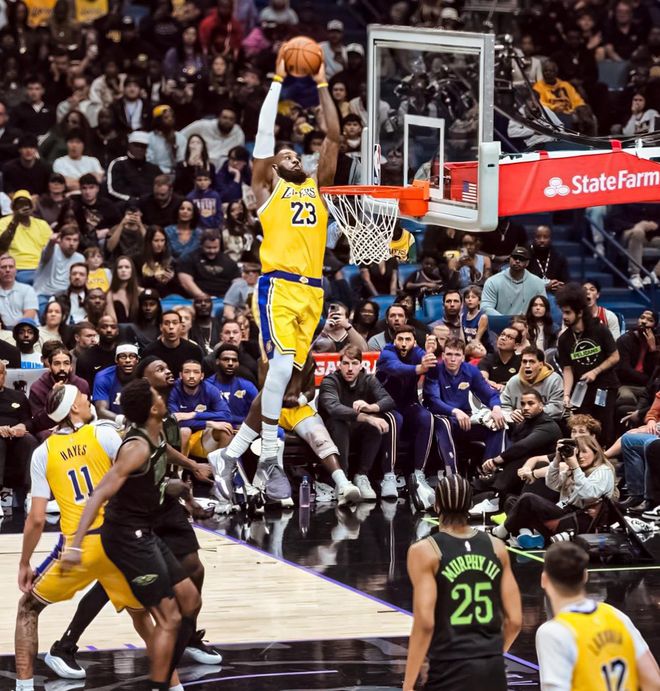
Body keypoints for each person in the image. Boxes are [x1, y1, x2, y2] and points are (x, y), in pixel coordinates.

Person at [62, 378, 203, 690]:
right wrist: (74, 545)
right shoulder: (135, 448)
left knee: (190, 600)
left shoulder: (156, 435)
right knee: (169, 617)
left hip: (144, 530)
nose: (161, 395)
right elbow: (99, 494)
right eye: (156, 395)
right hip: (125, 536)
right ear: (152, 409)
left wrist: (190, 480)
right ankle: (162, 685)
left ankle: (166, 675)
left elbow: (162, 462)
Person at [242, 54, 339, 506]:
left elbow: (333, 136)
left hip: (313, 290)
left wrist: (321, 83)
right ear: (274, 169)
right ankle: (269, 453)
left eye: (296, 153)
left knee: (290, 377)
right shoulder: (268, 190)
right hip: (278, 284)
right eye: (285, 156)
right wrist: (278, 80)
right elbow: (264, 138)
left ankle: (235, 453)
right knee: (279, 368)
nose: (293, 156)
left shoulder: (316, 187)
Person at [13, 385, 150, 691]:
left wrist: (24, 562)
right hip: (118, 543)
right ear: (74, 408)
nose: (88, 399)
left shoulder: (43, 452)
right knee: (144, 618)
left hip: (78, 547)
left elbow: (36, 519)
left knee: (28, 608)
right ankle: (173, 683)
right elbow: (136, 476)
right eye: (82, 397)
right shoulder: (105, 434)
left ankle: (24, 687)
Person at [403, 475, 522, 691]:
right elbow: (514, 620)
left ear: (436, 505)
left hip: (449, 668)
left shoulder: (424, 551)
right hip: (492, 669)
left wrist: (408, 684)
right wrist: (494, 654)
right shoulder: (497, 547)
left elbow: (425, 623)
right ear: (470, 505)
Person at [536, 542, 660, 689]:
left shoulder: (553, 631)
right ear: (585, 576)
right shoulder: (616, 615)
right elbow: (654, 682)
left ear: (544, 579)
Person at [493, 435, 617, 547]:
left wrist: (575, 468)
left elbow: (588, 494)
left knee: (527, 499)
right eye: (578, 453)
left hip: (574, 518)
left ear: (595, 452)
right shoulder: (574, 469)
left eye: (584, 452)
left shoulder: (603, 470)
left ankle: (504, 530)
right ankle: (528, 535)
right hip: (562, 511)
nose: (580, 456)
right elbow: (552, 483)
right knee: (512, 501)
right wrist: (557, 459)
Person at [318, 344, 398, 499]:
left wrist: (370, 407)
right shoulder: (330, 381)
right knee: (339, 423)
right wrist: (366, 417)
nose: (350, 368)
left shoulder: (368, 379)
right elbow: (334, 408)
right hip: (333, 432)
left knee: (377, 423)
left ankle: (362, 476)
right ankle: (342, 480)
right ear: (339, 365)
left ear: (361, 365)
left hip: (357, 431)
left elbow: (388, 400)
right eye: (346, 363)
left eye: (354, 363)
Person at [376, 325, 438, 510]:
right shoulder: (387, 353)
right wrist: (420, 367)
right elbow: (397, 368)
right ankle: (388, 475)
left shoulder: (417, 352)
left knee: (427, 418)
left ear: (414, 342)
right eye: (400, 339)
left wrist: (430, 354)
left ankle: (419, 474)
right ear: (394, 341)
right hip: (386, 404)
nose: (404, 343)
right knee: (396, 420)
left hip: (408, 403)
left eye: (408, 339)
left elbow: (431, 367)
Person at [423, 337, 507, 473]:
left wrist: (496, 408)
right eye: (449, 354)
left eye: (457, 355)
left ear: (463, 357)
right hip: (441, 417)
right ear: (443, 356)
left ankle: (488, 471)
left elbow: (490, 394)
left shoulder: (471, 371)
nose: (452, 359)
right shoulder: (435, 370)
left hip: (465, 419)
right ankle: (452, 473)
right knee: (444, 423)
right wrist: (455, 411)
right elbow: (433, 401)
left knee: (496, 425)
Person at [557, 283, 620, 445]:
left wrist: (595, 371)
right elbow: (567, 369)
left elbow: (615, 356)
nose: (564, 316)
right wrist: (566, 395)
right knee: (582, 426)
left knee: (604, 425)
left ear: (579, 312)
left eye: (568, 312)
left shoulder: (599, 330)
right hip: (581, 389)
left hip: (605, 385)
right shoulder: (564, 339)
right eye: (563, 312)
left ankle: (605, 454)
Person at [168, 359, 233, 457]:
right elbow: (172, 421)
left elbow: (227, 415)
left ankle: (219, 464)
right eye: (187, 372)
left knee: (226, 430)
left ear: (202, 376)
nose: (191, 376)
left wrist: (193, 415)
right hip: (178, 438)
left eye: (196, 372)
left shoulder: (210, 389)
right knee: (185, 431)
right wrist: (208, 423)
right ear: (181, 375)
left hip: (201, 436)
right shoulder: (173, 390)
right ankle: (179, 466)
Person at [28, 345, 90, 437]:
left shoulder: (81, 384)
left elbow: (87, 413)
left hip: (78, 426)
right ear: (49, 367)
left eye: (66, 363)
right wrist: (53, 397)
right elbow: (37, 423)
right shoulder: (37, 388)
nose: (62, 368)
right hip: (49, 429)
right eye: (57, 364)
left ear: (71, 366)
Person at [0, 359, 37, 510]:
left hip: (15, 436)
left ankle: (30, 493)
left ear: (4, 375)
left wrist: (22, 426)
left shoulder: (18, 396)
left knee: (30, 441)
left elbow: (29, 421)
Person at [0, 191, 52, 282]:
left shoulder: (42, 224)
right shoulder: (3, 222)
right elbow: (2, 247)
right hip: (17, 268)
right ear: (13, 208)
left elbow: (50, 248)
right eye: (20, 205)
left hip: (40, 267)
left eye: (26, 204)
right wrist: (15, 220)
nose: (24, 207)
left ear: (32, 207)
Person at [501, 347, 565, 421]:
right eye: (524, 362)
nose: (527, 365)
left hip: (547, 422)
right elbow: (503, 405)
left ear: (541, 364)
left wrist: (529, 413)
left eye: (532, 361)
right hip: (518, 423)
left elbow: (557, 408)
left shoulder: (554, 380)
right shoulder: (513, 381)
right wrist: (511, 414)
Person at [481, 246, 548, 316]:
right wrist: (506, 320)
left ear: (527, 263)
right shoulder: (493, 281)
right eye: (515, 258)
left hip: (527, 322)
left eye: (521, 259)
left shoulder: (537, 283)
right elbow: (486, 308)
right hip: (501, 322)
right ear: (509, 259)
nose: (517, 261)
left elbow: (543, 307)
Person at [616, 309, 659, 414]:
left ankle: (639, 414)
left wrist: (653, 350)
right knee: (627, 399)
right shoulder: (625, 340)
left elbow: (656, 372)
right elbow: (624, 370)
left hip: (648, 387)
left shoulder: (657, 342)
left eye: (650, 320)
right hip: (626, 384)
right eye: (642, 318)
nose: (644, 322)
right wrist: (648, 380)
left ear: (655, 326)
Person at [207, 343, 259, 428]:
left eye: (234, 360)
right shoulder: (207, 386)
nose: (230, 363)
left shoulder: (247, 386)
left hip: (243, 430)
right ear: (217, 361)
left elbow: (259, 413)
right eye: (226, 359)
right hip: (215, 430)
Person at [176, 229, 240, 298]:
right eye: (208, 248)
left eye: (215, 247)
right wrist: (203, 297)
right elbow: (185, 282)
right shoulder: (189, 258)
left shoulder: (228, 261)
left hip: (223, 299)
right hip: (197, 299)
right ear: (201, 245)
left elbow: (237, 282)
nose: (212, 251)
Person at [33, 226, 85, 310]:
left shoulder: (80, 258)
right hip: (44, 295)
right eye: (68, 239)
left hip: (65, 297)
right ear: (60, 240)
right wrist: (51, 243)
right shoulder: (52, 249)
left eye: (75, 240)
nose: (71, 243)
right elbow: (46, 253)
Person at [143, 310, 204, 377]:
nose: (171, 327)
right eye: (166, 323)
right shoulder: (150, 351)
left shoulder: (194, 350)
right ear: (161, 327)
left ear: (181, 326)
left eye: (175, 323)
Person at [181, 105, 246, 168]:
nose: (227, 121)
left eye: (231, 119)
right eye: (225, 118)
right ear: (218, 118)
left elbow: (239, 155)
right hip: (200, 163)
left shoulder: (238, 133)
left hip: (224, 168)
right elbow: (180, 137)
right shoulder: (202, 125)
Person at [106, 131, 162, 201]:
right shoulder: (118, 164)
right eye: (136, 145)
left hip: (150, 204)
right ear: (129, 145)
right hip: (125, 203)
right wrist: (134, 200)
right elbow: (113, 189)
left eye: (143, 146)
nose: (140, 149)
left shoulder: (154, 168)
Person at [92, 343, 139, 422]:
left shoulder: (144, 375)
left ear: (137, 360)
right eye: (123, 357)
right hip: (112, 422)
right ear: (116, 360)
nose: (128, 360)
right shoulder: (103, 377)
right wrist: (124, 420)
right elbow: (101, 411)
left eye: (132, 356)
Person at [479, 326, 522, 392]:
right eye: (502, 334)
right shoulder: (488, 359)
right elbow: (483, 378)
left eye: (509, 337)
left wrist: (507, 387)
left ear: (516, 345)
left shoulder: (521, 361)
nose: (503, 338)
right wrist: (493, 384)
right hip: (492, 393)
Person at [527, 225, 570, 292]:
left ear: (550, 238)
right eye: (538, 237)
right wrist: (543, 286)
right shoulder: (527, 256)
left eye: (545, 237)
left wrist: (559, 286)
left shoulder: (559, 257)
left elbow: (565, 281)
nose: (542, 240)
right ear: (533, 238)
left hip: (554, 293)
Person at [0, 254, 38, 328]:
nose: (7, 270)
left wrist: (14, 329)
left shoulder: (27, 289)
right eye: (3, 267)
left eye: (11, 267)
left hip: (24, 330)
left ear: (16, 270)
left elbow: (30, 314)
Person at [106, 256, 142, 325]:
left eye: (127, 267)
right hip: (118, 329)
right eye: (120, 267)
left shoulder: (140, 292)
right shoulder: (110, 294)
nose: (123, 270)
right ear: (115, 271)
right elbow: (113, 322)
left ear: (132, 271)